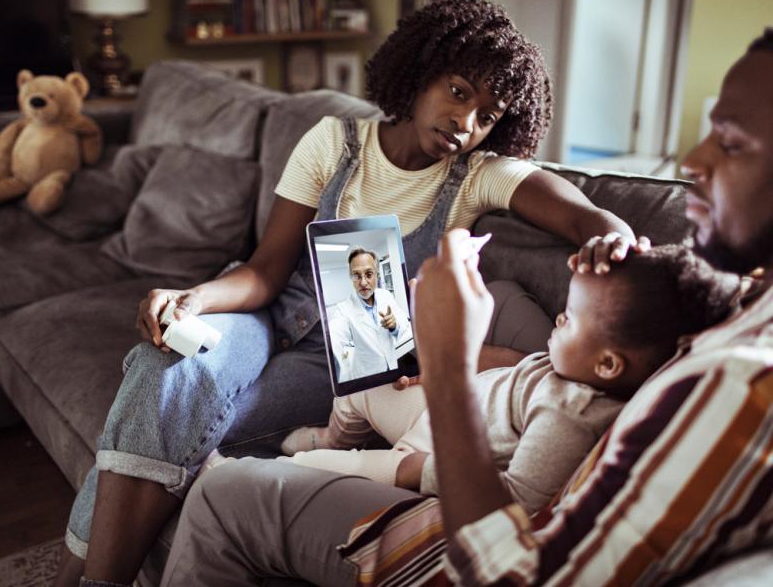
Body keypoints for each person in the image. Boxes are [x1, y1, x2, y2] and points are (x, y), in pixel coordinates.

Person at [56, 0, 640, 586]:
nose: (466, 122)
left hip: (346, 368)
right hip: (267, 314)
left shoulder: (481, 176)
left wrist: (611, 242)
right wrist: (195, 298)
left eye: (488, 115)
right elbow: (266, 270)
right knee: (164, 363)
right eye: (459, 91)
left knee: (170, 409)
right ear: (420, 71)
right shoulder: (335, 141)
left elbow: (592, 219)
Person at [158, 29, 773, 586]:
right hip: (370, 373)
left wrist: (449, 365)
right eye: (455, 91)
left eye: (732, 143)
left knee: (222, 488)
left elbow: (514, 561)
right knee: (176, 382)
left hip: (461, 532)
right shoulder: (741, 309)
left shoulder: (740, 378)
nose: (692, 163)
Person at [274, 245, 739, 514]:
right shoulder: (572, 366)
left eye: (570, 318)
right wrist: (437, 365)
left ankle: (264, 472)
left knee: (324, 475)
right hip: (442, 408)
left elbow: (517, 500)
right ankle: (333, 437)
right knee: (365, 376)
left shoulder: (572, 415)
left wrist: (416, 470)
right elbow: (511, 368)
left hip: (432, 455)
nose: (558, 317)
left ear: (610, 365)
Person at [330, 247, 411, 381]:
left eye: (368, 274)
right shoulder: (343, 309)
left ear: (377, 275)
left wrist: (394, 325)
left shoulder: (386, 295)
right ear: (351, 277)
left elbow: (404, 323)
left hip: (392, 365)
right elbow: (333, 336)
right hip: (367, 374)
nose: (363, 282)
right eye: (356, 275)